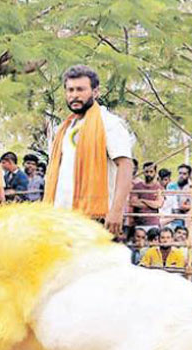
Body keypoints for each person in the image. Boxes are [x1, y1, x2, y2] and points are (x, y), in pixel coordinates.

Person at [43, 65, 134, 234]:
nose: (74, 95)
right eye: (70, 90)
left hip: (95, 218)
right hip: (61, 217)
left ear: (95, 92)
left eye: (80, 89)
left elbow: (126, 165)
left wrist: (116, 211)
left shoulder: (109, 123)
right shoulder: (64, 128)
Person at [129, 161, 163, 232]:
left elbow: (158, 204)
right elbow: (133, 203)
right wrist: (152, 204)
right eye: (146, 172)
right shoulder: (137, 186)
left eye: (151, 172)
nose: (149, 174)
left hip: (153, 223)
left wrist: (142, 200)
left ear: (155, 172)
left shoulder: (158, 187)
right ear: (143, 172)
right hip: (139, 223)